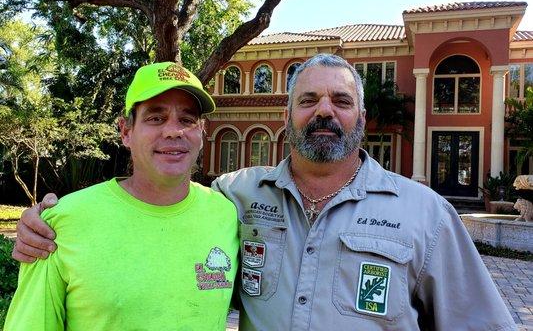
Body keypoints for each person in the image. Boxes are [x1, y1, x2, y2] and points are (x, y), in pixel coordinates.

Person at [12, 54, 515, 330]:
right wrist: (43, 224)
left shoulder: (426, 214)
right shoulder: (237, 196)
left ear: (361, 118)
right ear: (286, 115)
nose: (324, 111)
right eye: (308, 100)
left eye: (341, 100)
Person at [5, 62, 239, 331]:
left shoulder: (226, 214)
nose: (174, 131)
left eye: (187, 120)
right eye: (156, 118)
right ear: (126, 132)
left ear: (202, 132)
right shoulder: (59, 223)